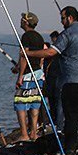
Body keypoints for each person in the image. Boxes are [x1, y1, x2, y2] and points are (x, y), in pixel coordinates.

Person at [25, 6, 78, 155]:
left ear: (69, 18)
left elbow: (50, 52)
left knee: (71, 115)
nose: (61, 21)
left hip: (73, 79)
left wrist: (28, 53)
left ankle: (70, 150)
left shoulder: (67, 34)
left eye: (62, 18)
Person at [14, 12, 45, 141]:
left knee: (20, 103)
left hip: (27, 74)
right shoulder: (39, 37)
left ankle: (24, 134)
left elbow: (24, 56)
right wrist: (17, 67)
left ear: (26, 22)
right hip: (38, 73)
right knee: (34, 102)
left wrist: (20, 75)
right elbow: (41, 56)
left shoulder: (26, 36)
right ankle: (33, 132)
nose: (20, 21)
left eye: (22, 19)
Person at [42, 30, 64, 130]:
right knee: (53, 101)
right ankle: (56, 121)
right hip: (51, 79)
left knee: (57, 102)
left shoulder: (58, 51)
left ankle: (58, 123)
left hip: (56, 79)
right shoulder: (56, 50)